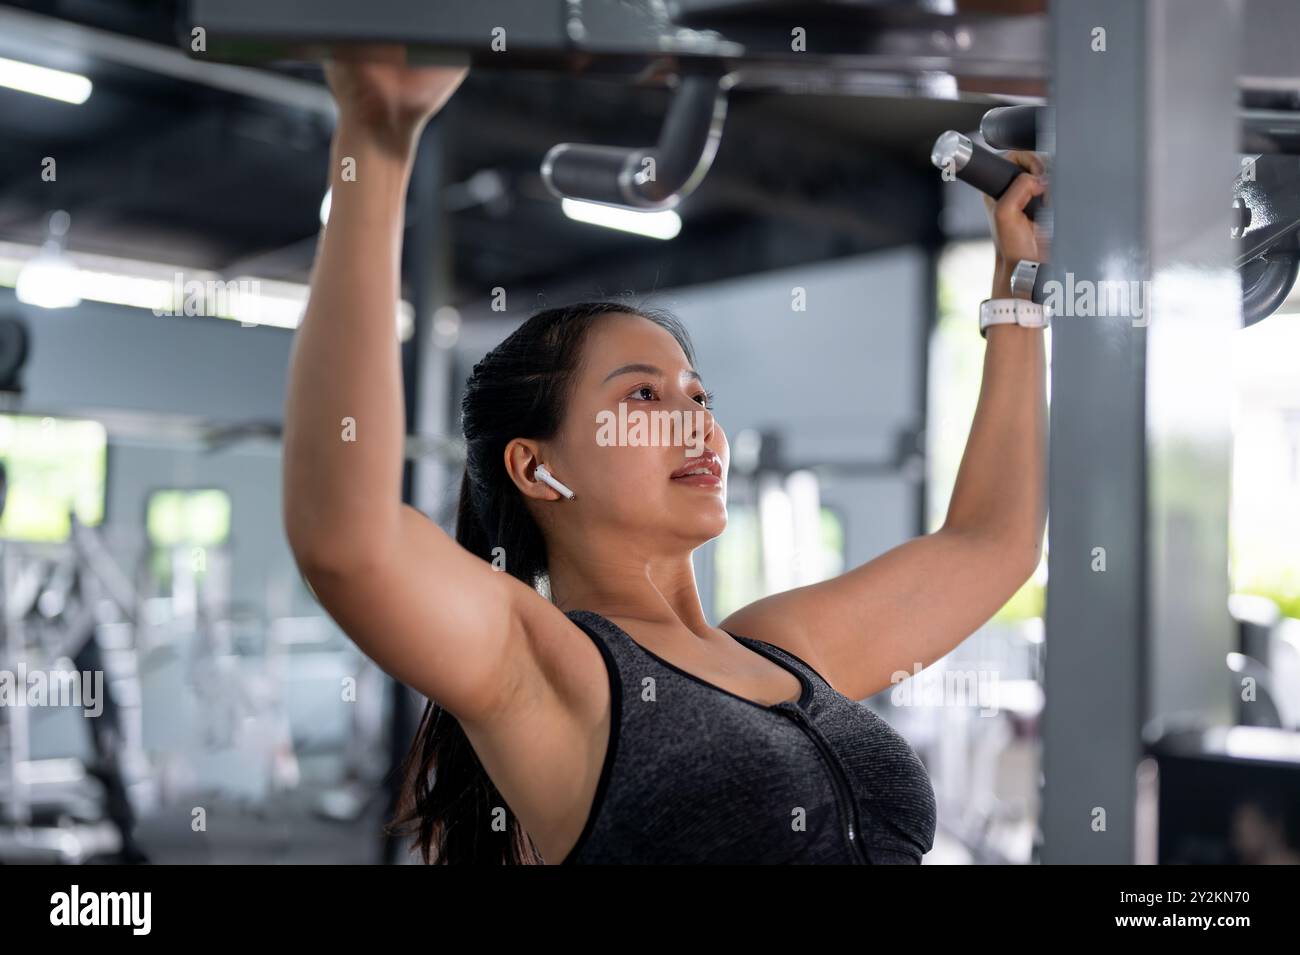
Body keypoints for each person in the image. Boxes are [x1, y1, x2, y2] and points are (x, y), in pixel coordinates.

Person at [281, 45, 1048, 864]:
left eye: (698, 396)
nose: (696, 424)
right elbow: (347, 539)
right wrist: (379, 135)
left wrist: (1017, 282)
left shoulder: (783, 644)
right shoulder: (547, 667)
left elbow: (990, 544)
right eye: (642, 396)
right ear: (537, 467)